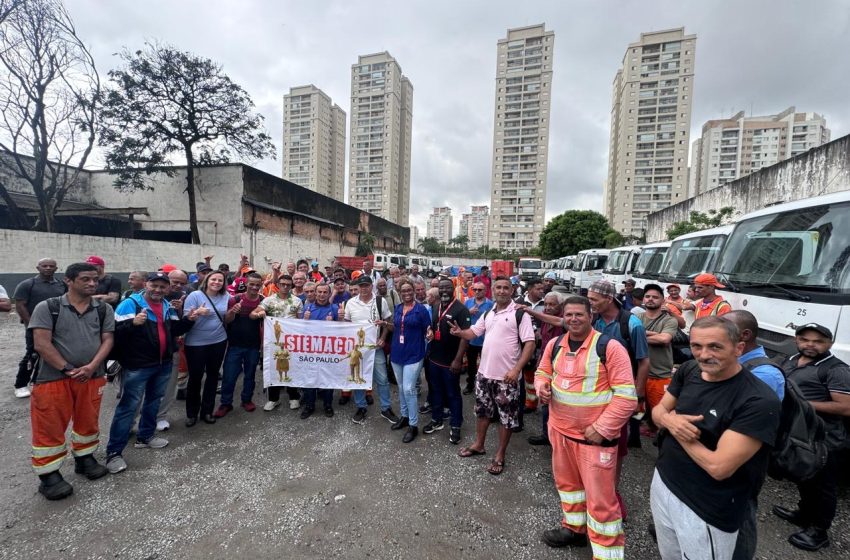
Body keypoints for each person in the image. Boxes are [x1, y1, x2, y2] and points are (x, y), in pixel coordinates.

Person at [650, 317, 781, 560]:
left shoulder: (758, 401)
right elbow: (658, 412)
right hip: (664, 484)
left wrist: (680, 432)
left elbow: (718, 466)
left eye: (715, 346)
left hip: (706, 506)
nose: (703, 354)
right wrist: (671, 421)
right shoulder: (690, 370)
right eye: (696, 346)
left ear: (739, 348)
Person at [535, 295, 636, 557]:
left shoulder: (610, 347)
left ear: (591, 316)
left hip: (594, 440)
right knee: (569, 488)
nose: (573, 319)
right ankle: (574, 529)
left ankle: (607, 555)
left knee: (602, 502)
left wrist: (602, 428)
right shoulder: (556, 344)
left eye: (579, 314)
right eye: (569, 315)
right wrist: (542, 386)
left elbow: (626, 398)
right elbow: (542, 372)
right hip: (560, 433)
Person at [28, 262, 115, 499]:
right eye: (85, 279)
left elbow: (107, 340)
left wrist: (92, 366)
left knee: (88, 419)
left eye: (95, 279)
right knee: (50, 424)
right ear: (68, 281)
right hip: (52, 378)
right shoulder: (48, 307)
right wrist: (68, 369)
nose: (92, 284)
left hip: (92, 376)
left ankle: (84, 457)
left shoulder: (102, 309)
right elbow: (41, 343)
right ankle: (48, 475)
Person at [106, 272, 194, 474]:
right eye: (154, 285)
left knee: (154, 401)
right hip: (138, 365)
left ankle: (145, 436)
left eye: (163, 287)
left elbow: (174, 330)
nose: (158, 290)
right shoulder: (130, 304)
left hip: (162, 363)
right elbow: (113, 333)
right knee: (128, 406)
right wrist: (132, 323)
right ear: (146, 284)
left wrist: (190, 319)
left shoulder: (166, 305)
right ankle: (114, 452)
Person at [774, 323, 850, 551]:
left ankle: (819, 531)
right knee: (804, 477)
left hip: (825, 440)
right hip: (799, 436)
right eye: (805, 339)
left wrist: (800, 404)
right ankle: (803, 514)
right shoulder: (790, 359)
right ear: (797, 340)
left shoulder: (836, 369)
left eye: (818, 341)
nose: (810, 344)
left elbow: (845, 407)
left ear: (829, 343)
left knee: (822, 486)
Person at [450, 276, 535, 475]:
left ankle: (500, 454)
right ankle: (479, 445)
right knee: (482, 412)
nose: (502, 291)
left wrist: (516, 370)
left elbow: (530, 343)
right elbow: (473, 333)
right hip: (484, 374)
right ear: (493, 291)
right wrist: (459, 332)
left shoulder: (519, 314)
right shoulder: (488, 312)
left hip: (507, 378)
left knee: (506, 418)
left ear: (512, 290)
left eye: (506, 288)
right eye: (498, 287)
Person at [720, 310, 785, 560]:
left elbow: (746, 420)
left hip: (746, 457)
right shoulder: (737, 362)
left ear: (744, 335)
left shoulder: (765, 374)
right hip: (727, 448)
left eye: (724, 327)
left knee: (742, 512)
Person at [344, 275, 399, 425]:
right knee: (359, 378)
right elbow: (346, 324)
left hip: (375, 348)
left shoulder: (380, 301)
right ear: (358, 286)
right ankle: (361, 407)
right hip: (357, 349)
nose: (364, 288)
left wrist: (383, 337)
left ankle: (386, 408)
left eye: (367, 285)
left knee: (382, 379)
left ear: (371, 286)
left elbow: (388, 323)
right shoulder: (350, 303)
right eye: (361, 286)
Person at [422, 278, 471, 444]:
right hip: (434, 358)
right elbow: (434, 327)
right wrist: (429, 332)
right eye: (441, 288)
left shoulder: (461, 309)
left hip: (451, 362)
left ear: (453, 289)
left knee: (453, 394)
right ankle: (437, 419)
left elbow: (465, 338)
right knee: (435, 391)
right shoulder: (436, 306)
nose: (444, 291)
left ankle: (456, 425)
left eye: (447, 288)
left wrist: (458, 360)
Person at [182, 270, 230, 426]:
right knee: (195, 378)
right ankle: (191, 413)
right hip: (196, 343)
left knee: (213, 376)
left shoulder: (226, 296)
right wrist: (197, 312)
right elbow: (186, 317)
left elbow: (227, 316)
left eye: (220, 280)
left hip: (218, 341)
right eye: (213, 279)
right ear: (207, 280)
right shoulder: (195, 296)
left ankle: (207, 411)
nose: (217, 282)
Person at [214, 272, 265, 418]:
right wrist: (232, 311)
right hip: (235, 345)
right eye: (252, 284)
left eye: (257, 284)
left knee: (250, 375)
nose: (254, 287)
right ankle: (225, 403)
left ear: (261, 285)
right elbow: (227, 321)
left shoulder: (263, 300)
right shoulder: (235, 299)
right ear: (246, 284)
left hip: (254, 346)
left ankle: (246, 400)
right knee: (229, 376)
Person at [14, 258, 66, 398]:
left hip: (58, 327)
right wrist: (33, 324)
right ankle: (21, 384)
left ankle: (41, 381)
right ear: (38, 267)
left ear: (56, 268)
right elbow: (20, 305)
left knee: (56, 352)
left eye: (51, 266)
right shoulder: (27, 285)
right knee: (32, 354)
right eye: (44, 266)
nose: (48, 268)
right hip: (36, 328)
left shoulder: (62, 285)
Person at [520, 291, 566, 446]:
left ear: (560, 306)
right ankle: (548, 433)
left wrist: (529, 310)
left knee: (554, 402)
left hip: (561, 367)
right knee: (546, 399)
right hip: (546, 365)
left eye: (552, 304)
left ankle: (551, 436)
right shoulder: (546, 320)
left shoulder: (565, 319)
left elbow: (557, 321)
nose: (547, 307)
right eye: (545, 304)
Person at [389, 279, 432, 443]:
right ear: (399, 292)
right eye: (403, 291)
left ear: (414, 291)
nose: (406, 293)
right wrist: (385, 324)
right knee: (401, 387)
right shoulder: (398, 308)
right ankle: (405, 416)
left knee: (409, 389)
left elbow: (428, 330)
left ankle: (413, 425)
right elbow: (396, 327)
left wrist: (430, 334)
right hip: (397, 353)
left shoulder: (421, 310)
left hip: (414, 354)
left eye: (409, 290)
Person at [251, 274, 303, 411]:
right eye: (283, 284)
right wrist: (259, 314)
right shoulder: (269, 300)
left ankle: (294, 397)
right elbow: (253, 313)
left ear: (291, 286)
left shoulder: (297, 301)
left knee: (291, 367)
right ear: (278, 285)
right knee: (274, 368)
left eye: (288, 284)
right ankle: (273, 399)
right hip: (274, 341)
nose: (285, 286)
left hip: (292, 342)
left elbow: (301, 322)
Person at [155, 269, 190, 430]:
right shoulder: (138, 300)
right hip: (144, 353)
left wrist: (182, 311)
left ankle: (160, 417)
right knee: (139, 390)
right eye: (174, 282)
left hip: (171, 350)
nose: (178, 286)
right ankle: (132, 421)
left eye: (182, 283)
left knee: (169, 386)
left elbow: (177, 328)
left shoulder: (179, 299)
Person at [639, 284, 680, 420]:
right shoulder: (636, 318)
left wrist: (639, 336)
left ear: (663, 301)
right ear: (643, 299)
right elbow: (627, 337)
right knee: (639, 412)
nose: (650, 299)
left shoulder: (670, 320)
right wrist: (652, 334)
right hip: (638, 374)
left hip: (660, 375)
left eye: (655, 297)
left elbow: (664, 339)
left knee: (662, 414)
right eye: (647, 296)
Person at [299, 282, 339, 419]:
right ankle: (309, 405)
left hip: (328, 351)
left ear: (329, 294)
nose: (322, 295)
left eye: (325, 292)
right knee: (310, 378)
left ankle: (328, 404)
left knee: (328, 378)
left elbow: (342, 332)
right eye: (319, 292)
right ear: (315, 293)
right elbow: (300, 331)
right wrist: (304, 320)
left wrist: (335, 321)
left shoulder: (334, 308)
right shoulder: (308, 309)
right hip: (311, 351)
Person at [518, 278, 545, 415]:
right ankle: (521, 400)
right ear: (529, 289)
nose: (542, 291)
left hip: (541, 346)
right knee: (520, 374)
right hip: (522, 344)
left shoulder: (547, 303)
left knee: (532, 374)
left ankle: (531, 403)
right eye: (538, 289)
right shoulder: (518, 302)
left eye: (542, 289)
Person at [463, 282, 493, 395]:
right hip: (471, 340)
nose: (477, 292)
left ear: (485, 291)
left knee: (486, 366)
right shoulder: (468, 302)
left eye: (480, 290)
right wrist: (468, 312)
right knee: (471, 366)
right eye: (474, 289)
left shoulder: (491, 304)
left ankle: (485, 387)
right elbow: (462, 318)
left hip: (485, 341)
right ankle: (470, 384)